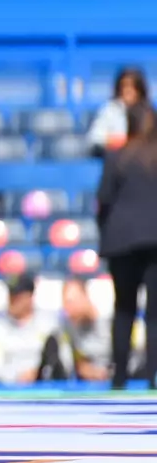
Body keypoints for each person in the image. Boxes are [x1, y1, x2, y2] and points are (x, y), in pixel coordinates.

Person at [95, 102, 157, 389]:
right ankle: (152, 377)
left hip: (122, 241)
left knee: (124, 310)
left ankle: (118, 378)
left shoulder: (116, 157)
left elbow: (103, 199)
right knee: (155, 313)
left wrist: (106, 234)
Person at [0, 274, 64, 386]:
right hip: (7, 391)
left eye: (17, 295)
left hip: (44, 387)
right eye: (10, 294)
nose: (11, 299)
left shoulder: (49, 324)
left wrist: (37, 374)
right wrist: (17, 377)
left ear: (29, 297)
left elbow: (63, 359)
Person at [87, 67, 148, 157]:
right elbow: (95, 138)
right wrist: (121, 142)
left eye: (133, 86)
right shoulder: (110, 110)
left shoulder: (147, 112)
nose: (128, 90)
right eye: (124, 86)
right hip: (115, 160)